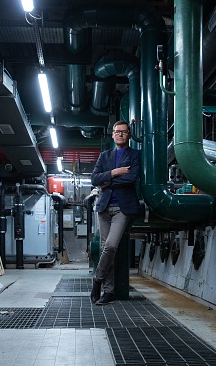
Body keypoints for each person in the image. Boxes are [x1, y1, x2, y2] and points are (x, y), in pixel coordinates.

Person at [90, 120, 141, 305]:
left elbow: (132, 178)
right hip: (103, 208)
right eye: (117, 131)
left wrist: (107, 182)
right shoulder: (105, 156)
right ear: (112, 134)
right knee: (106, 249)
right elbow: (95, 179)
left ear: (129, 135)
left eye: (124, 132)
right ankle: (108, 291)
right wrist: (114, 172)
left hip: (123, 208)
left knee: (111, 246)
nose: (120, 134)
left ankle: (97, 281)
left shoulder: (135, 155)